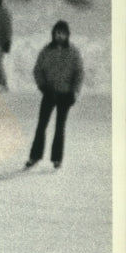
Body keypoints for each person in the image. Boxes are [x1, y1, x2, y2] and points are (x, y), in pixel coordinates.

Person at [25, 20, 84, 170]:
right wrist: (43, 87)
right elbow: (37, 70)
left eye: (63, 33)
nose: (60, 36)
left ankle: (57, 159)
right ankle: (34, 156)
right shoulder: (46, 51)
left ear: (67, 35)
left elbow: (79, 73)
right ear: (53, 34)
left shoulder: (73, 52)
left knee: (59, 127)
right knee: (41, 125)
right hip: (49, 93)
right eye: (57, 33)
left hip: (65, 95)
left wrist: (74, 92)